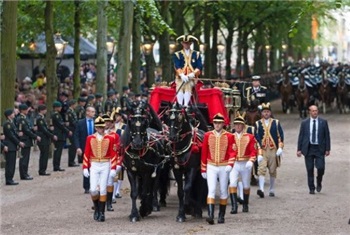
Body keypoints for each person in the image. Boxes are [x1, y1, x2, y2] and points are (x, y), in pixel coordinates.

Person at [201, 113, 236, 225]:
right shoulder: (207, 135)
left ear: (223, 124)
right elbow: (204, 153)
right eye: (215, 122)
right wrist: (203, 169)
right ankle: (210, 215)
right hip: (211, 165)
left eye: (219, 123)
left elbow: (232, 151)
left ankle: (221, 215)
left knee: (223, 191)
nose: (217, 125)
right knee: (211, 190)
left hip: (223, 166)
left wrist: (230, 165)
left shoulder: (229, 136)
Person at [83, 116, 119, 222]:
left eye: (102, 127)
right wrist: (85, 167)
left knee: (103, 188)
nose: (100, 129)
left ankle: (102, 213)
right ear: (95, 128)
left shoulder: (110, 138)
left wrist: (113, 168)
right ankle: (97, 209)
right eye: (98, 127)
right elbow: (86, 153)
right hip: (94, 164)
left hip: (105, 164)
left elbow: (113, 154)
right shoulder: (90, 138)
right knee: (93, 190)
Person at [297, 105, 330, 194]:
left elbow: (327, 136)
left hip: (319, 148)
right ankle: (311, 188)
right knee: (310, 168)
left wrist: (327, 149)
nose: (315, 112)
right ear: (309, 112)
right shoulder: (304, 123)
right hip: (308, 148)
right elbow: (301, 136)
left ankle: (319, 181)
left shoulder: (323, 122)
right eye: (313, 111)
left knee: (321, 167)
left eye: (316, 110)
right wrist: (299, 149)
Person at [229, 113, 257, 214]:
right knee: (232, 183)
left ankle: (245, 204)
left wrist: (251, 160)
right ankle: (234, 206)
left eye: (240, 124)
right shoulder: (230, 137)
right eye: (236, 124)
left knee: (246, 185)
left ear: (243, 126)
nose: (238, 126)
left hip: (245, 163)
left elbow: (253, 151)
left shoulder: (250, 137)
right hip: (234, 163)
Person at [255, 102, 284, 198]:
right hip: (263, 150)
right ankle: (261, 189)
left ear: (270, 113)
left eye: (267, 111)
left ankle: (271, 189)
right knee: (261, 169)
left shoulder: (276, 122)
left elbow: (280, 136)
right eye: (264, 112)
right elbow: (256, 138)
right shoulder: (258, 124)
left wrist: (280, 147)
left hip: (273, 149)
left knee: (272, 169)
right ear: (261, 113)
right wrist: (258, 151)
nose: (266, 113)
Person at [173, 34, 203, 107]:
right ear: (182, 43)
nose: (186, 44)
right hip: (180, 77)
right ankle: (180, 104)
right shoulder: (177, 54)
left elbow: (199, 66)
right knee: (180, 84)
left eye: (188, 43)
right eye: (184, 43)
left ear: (191, 43)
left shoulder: (197, 54)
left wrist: (192, 74)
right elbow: (177, 66)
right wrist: (182, 75)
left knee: (188, 84)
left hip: (192, 78)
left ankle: (186, 104)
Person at [16, 104, 41, 180]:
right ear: (22, 110)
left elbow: (29, 128)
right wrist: (35, 136)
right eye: (26, 109)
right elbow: (26, 130)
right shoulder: (21, 119)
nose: (27, 111)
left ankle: (25, 173)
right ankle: (23, 174)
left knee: (26, 158)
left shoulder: (25, 118)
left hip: (27, 139)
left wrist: (33, 130)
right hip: (24, 140)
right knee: (24, 158)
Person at [74, 106, 96, 193]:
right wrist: (78, 147)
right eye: (92, 112)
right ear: (87, 112)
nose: (94, 113)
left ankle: (94, 184)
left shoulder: (96, 122)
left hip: (95, 147)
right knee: (86, 166)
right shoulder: (80, 123)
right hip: (84, 147)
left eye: (94, 112)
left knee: (95, 166)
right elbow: (76, 136)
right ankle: (86, 186)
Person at [102, 114, 121, 211]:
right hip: (100, 161)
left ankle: (109, 203)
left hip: (111, 160)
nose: (106, 123)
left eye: (108, 122)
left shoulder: (115, 135)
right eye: (104, 122)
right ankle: (99, 203)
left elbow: (118, 148)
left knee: (109, 181)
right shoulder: (96, 135)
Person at [3, 109, 25, 185]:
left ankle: (10, 178)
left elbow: (14, 133)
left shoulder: (11, 123)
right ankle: (9, 179)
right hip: (10, 145)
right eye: (12, 113)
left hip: (13, 145)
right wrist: (19, 142)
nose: (14, 114)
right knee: (10, 163)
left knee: (12, 163)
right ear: (9, 115)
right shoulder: (7, 124)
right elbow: (11, 136)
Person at [36, 105, 57, 176]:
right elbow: (43, 130)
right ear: (41, 110)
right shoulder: (40, 119)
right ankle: (42, 170)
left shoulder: (42, 118)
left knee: (45, 155)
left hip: (45, 138)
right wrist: (52, 135)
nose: (46, 111)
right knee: (44, 155)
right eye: (45, 110)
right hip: (43, 138)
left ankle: (43, 169)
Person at [51, 101, 72, 172]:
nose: (61, 108)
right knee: (58, 151)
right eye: (59, 107)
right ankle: (56, 166)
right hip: (58, 134)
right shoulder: (56, 115)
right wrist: (68, 131)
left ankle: (57, 165)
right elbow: (61, 125)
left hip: (59, 134)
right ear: (56, 108)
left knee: (59, 151)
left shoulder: (57, 114)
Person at [111, 107, 126, 200]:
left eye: (117, 116)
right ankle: (113, 192)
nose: (116, 118)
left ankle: (117, 190)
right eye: (115, 116)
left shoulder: (124, 126)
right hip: (113, 150)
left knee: (121, 171)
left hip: (121, 150)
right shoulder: (111, 126)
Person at [66, 99, 79, 167]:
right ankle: (71, 161)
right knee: (72, 146)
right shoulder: (69, 112)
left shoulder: (72, 111)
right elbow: (72, 121)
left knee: (74, 146)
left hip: (74, 129)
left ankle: (72, 160)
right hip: (71, 129)